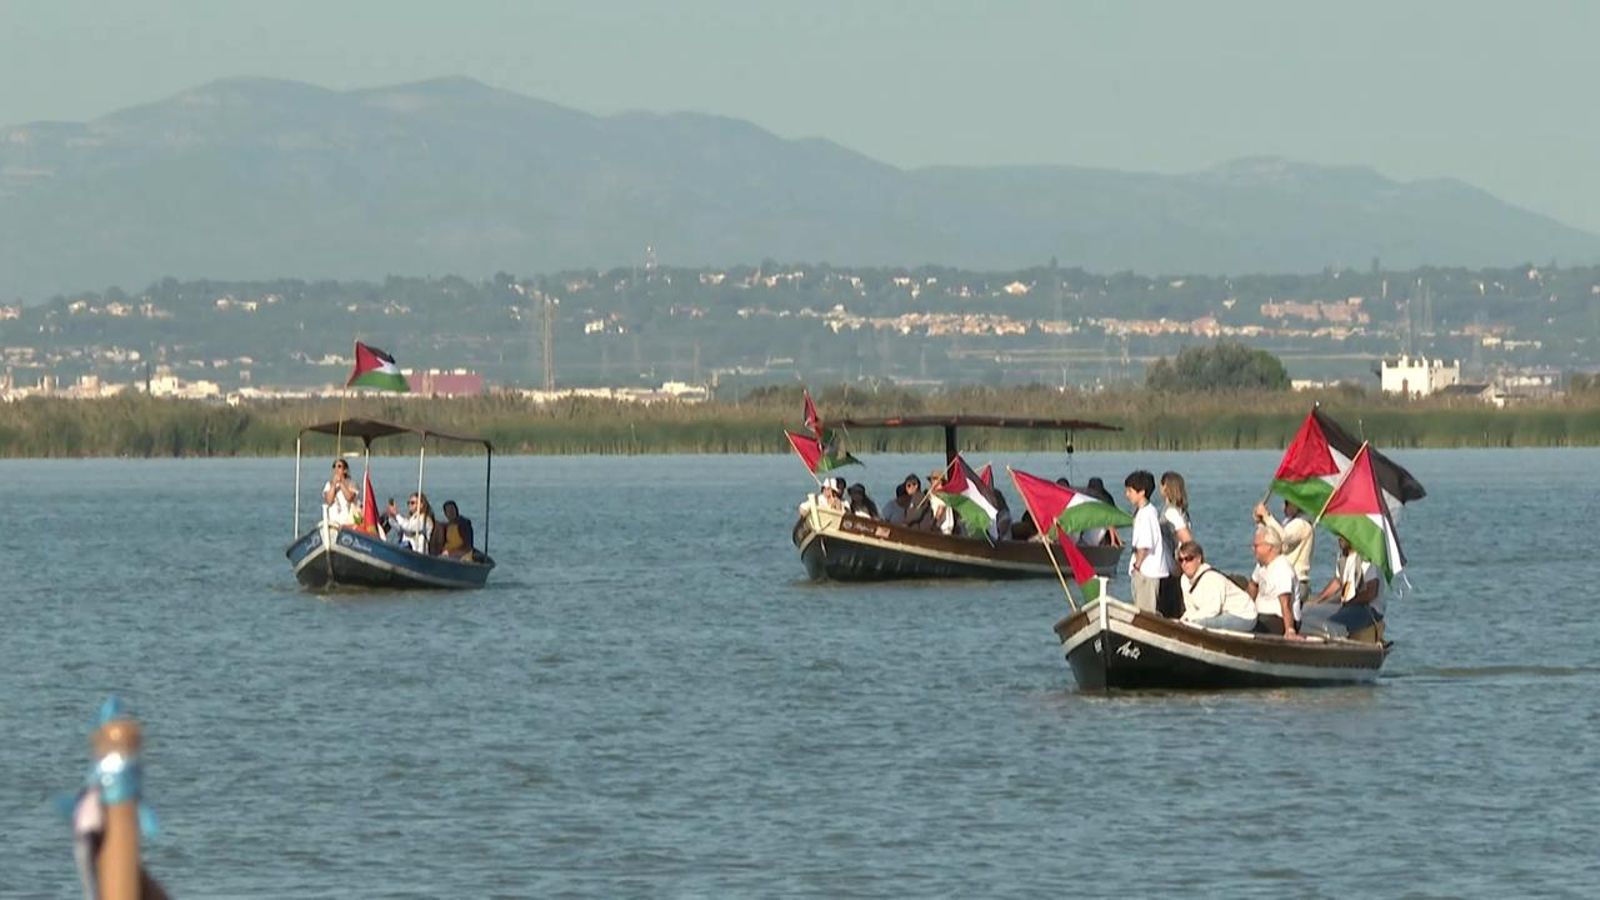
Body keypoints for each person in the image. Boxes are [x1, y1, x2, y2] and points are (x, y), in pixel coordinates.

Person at [1302, 535, 1384, 640]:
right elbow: (1337, 582)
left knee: (1330, 620)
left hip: (1368, 610)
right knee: (1307, 610)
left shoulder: (1367, 559)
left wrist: (1350, 603)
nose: (1339, 538)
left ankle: (1333, 643)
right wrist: (1318, 600)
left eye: (1343, 536)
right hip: (1347, 605)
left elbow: (1371, 593)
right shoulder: (1343, 558)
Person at [1176, 540, 1257, 632]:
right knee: (1192, 622)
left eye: (1189, 559)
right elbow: (1190, 609)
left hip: (1244, 615)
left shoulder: (1212, 578)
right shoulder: (1184, 580)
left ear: (1199, 559)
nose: (1184, 564)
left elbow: (1213, 609)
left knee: (1199, 623)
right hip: (1223, 612)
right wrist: (1181, 621)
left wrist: (1190, 620)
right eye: (1181, 560)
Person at [1254, 498, 1315, 613]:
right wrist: (1262, 522)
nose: (1283, 507)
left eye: (1287, 503)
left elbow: (1283, 538)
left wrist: (1267, 516)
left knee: (1285, 615)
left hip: (1294, 580)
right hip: (1284, 580)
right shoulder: (1289, 523)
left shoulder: (1301, 524)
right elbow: (1272, 540)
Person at [1124, 470, 1170, 614]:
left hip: (1147, 572)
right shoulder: (1146, 512)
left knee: (1145, 612)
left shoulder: (1146, 514)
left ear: (1142, 492)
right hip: (1147, 571)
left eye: (1130, 491)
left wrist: (1137, 566)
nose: (1127, 495)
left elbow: (1144, 546)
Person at [1247, 527, 1301, 638]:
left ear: (1269, 547)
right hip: (1261, 615)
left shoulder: (1282, 568)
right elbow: (1253, 584)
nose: (1253, 549)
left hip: (1279, 619)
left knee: (1250, 626)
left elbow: (1286, 603)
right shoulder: (1261, 565)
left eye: (1256, 546)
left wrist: (1290, 630)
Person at [1156, 471, 1192, 618]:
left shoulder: (1171, 513)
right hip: (1173, 567)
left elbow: (1187, 540)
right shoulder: (1181, 511)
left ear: (1166, 488)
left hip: (1173, 568)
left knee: (1170, 610)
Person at [1081, 477, 1125, 547]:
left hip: (1096, 532)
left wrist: (1115, 541)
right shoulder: (1107, 497)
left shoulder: (1085, 498)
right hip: (1101, 532)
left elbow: (1110, 522)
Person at [321, 458, 358, 527]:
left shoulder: (352, 484)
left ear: (345, 470)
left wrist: (341, 483)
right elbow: (329, 501)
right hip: (333, 522)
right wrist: (334, 484)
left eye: (339, 466)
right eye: (334, 466)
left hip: (347, 523)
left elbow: (349, 498)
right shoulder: (329, 485)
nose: (336, 469)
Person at [926, 470, 955, 535]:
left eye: (935, 479)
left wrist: (934, 523)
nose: (932, 481)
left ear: (940, 481)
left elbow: (941, 508)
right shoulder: (931, 492)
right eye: (931, 479)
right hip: (937, 527)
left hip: (943, 528)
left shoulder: (943, 493)